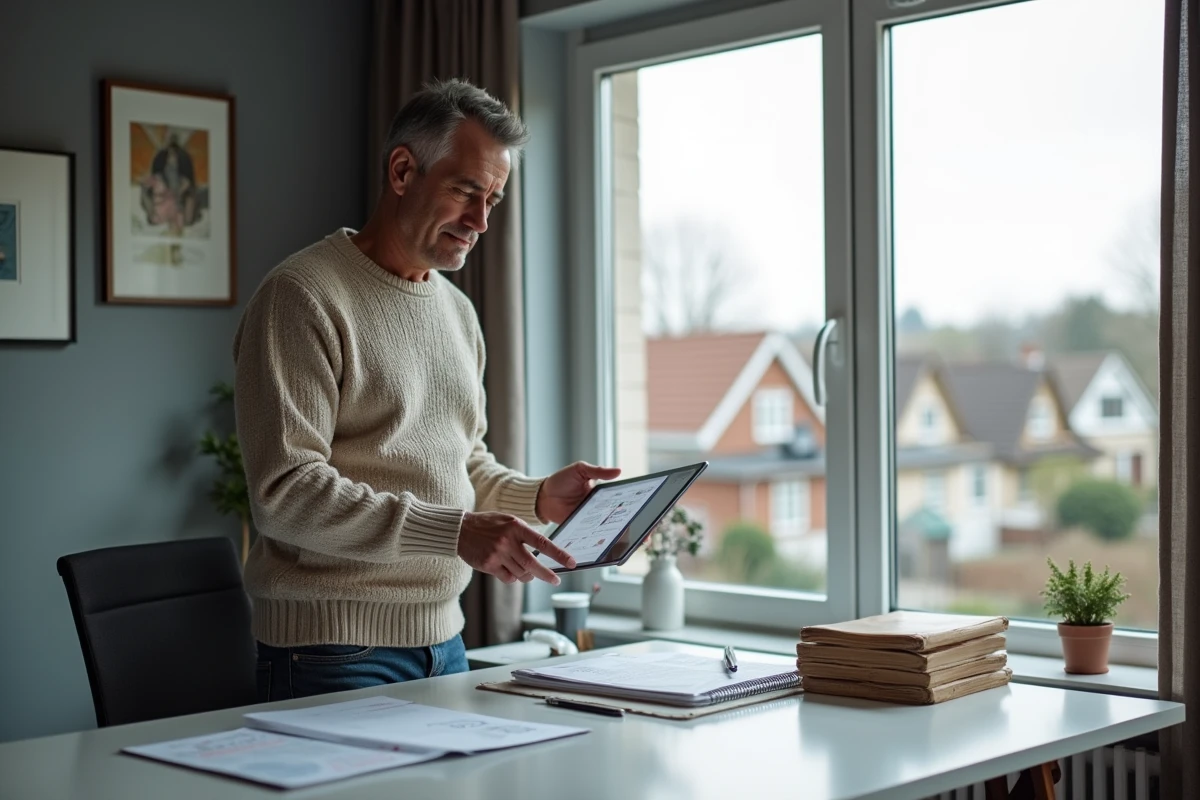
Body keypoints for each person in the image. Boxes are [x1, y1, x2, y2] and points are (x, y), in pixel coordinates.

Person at [234, 78, 620, 701]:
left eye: (493, 199)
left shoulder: (458, 314)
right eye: (467, 192)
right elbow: (285, 492)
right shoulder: (302, 296)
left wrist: (541, 497)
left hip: (445, 643)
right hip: (332, 648)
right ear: (404, 170)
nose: (481, 221)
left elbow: (460, 464)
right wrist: (455, 532)